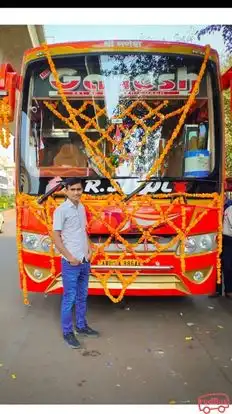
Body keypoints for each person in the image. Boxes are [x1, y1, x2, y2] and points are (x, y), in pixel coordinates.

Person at [52, 177, 99, 349]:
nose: (77, 192)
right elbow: (56, 237)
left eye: (79, 189)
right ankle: (67, 332)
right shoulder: (61, 210)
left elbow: (82, 231)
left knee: (82, 296)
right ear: (66, 190)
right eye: (73, 189)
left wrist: (89, 248)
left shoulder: (81, 208)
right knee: (69, 297)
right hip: (71, 262)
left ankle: (81, 326)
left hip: (84, 260)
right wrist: (69, 257)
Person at [209, 193, 232, 298]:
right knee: (217, 263)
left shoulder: (229, 208)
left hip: (227, 239)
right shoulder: (213, 207)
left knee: (227, 266)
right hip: (218, 238)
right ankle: (217, 290)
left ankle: (228, 290)